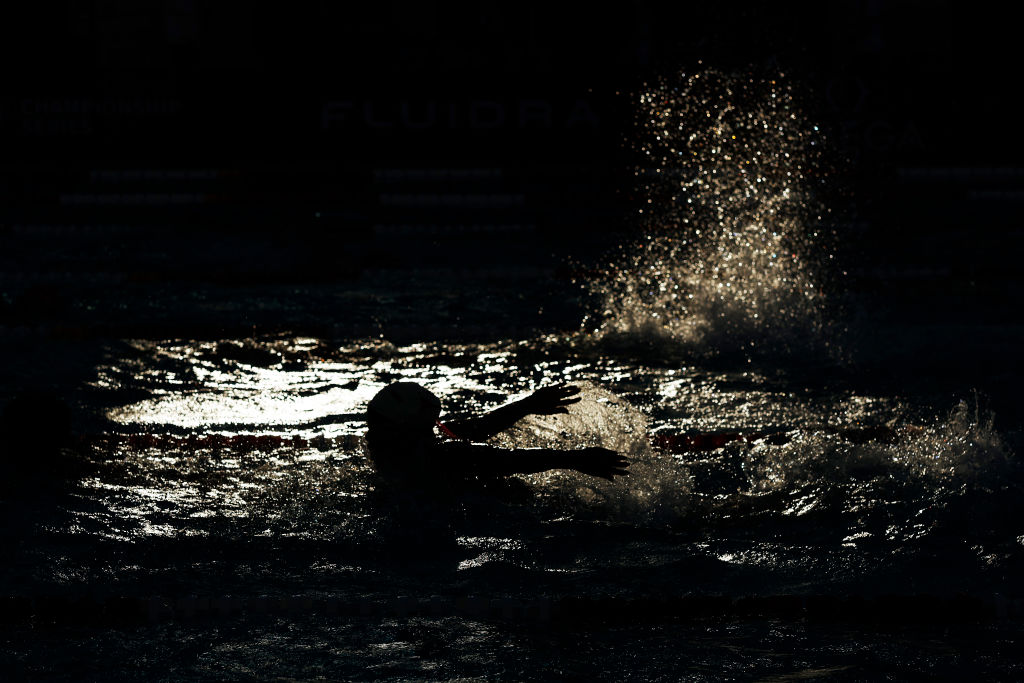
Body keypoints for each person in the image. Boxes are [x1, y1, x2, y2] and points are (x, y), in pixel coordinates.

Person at [365, 382, 629, 488]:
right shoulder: (429, 449)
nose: (370, 434)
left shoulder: (426, 451)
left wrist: (574, 459)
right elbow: (502, 453)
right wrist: (574, 459)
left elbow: (499, 451)